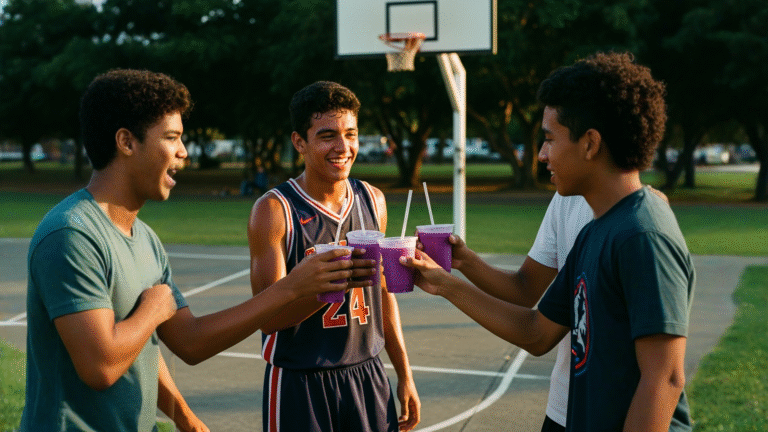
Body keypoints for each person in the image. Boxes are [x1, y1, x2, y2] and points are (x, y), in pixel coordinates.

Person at [21, 69, 373, 431]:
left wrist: (184, 417)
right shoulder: (71, 235)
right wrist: (153, 310)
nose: (183, 152)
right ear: (126, 142)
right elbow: (101, 366)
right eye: (172, 138)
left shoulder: (144, 240)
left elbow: (190, 342)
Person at [403, 52, 695, 431]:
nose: (541, 155)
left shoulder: (643, 235)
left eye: (549, 139)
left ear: (590, 144)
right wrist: (445, 284)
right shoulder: (596, 230)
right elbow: (537, 332)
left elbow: (664, 379)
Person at [247, 81, 420, 432]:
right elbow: (269, 317)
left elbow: (383, 294)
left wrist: (404, 374)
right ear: (300, 142)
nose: (343, 147)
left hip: (368, 372)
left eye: (351, 134)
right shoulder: (274, 210)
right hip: (301, 380)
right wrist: (331, 284)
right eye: (327, 136)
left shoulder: (373, 199)